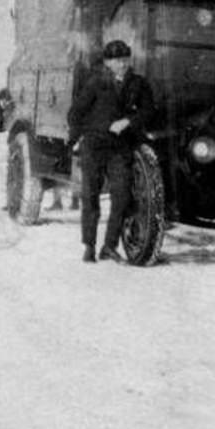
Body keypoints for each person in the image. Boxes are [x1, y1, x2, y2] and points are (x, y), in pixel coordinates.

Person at [67, 40, 156, 264]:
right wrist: (77, 137)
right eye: (117, 60)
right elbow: (75, 112)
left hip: (120, 147)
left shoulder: (138, 84)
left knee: (122, 196)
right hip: (94, 146)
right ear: (107, 62)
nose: (122, 64)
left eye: (125, 59)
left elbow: (149, 110)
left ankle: (109, 246)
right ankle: (89, 246)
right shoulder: (96, 82)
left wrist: (128, 121)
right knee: (90, 198)